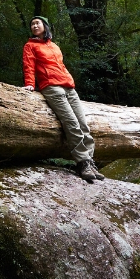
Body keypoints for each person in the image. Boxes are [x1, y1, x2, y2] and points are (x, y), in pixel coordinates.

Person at [22, 16, 104, 183]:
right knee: (72, 124)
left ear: (45, 26)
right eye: (32, 24)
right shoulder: (30, 46)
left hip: (69, 86)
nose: (35, 25)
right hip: (52, 87)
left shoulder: (54, 46)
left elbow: (61, 65)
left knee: (83, 124)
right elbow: (28, 66)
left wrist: (70, 81)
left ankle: (90, 161)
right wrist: (30, 84)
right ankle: (82, 163)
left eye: (38, 23)